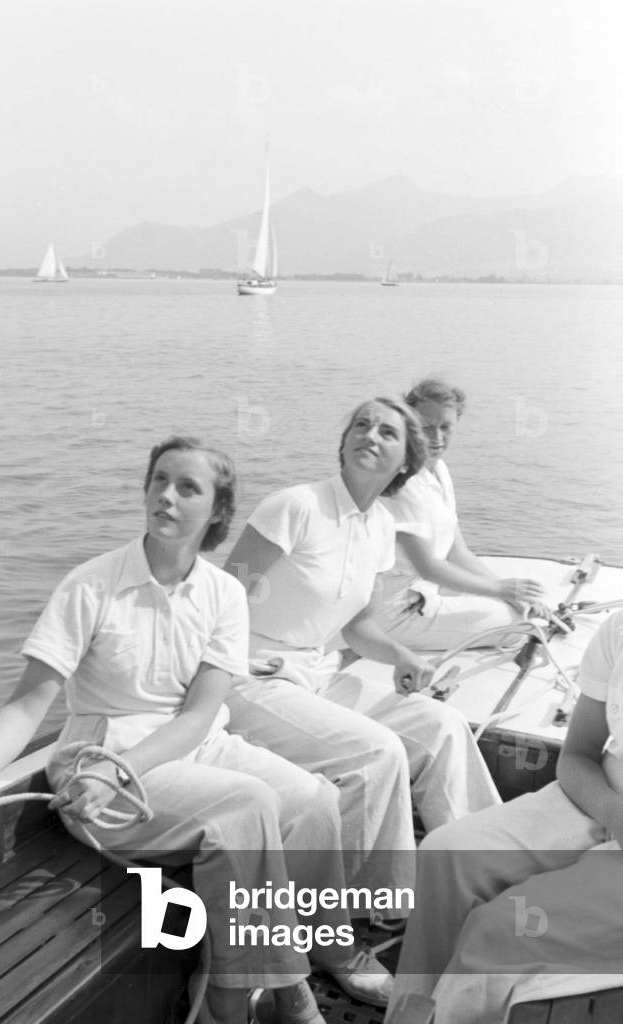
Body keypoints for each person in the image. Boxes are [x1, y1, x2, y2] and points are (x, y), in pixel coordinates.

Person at [0, 436, 393, 1024]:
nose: (167, 496)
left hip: (188, 747)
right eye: (159, 480)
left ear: (217, 512)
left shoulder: (225, 594)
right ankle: (257, 999)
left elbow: (197, 717)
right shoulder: (91, 585)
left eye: (188, 487)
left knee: (313, 800)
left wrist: (123, 771)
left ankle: (328, 945)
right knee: (247, 807)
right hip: (97, 761)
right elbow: (27, 707)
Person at [224, 398, 500, 877]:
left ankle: (481, 870)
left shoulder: (380, 527)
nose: (370, 435)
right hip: (250, 679)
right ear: (345, 440)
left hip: (315, 673)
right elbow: (220, 600)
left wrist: (401, 656)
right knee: (378, 752)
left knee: (443, 726)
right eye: (362, 425)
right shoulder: (295, 507)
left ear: (407, 463)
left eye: (387, 433)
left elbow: (359, 626)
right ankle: (364, 910)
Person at [387, 610, 623, 1024]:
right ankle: (414, 1012)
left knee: (502, 930)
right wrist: (610, 810)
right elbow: (578, 756)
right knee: (447, 852)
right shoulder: (618, 628)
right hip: (600, 795)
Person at [375, 379, 545, 651]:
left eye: (445, 427)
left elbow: (457, 552)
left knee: (513, 605)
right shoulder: (401, 483)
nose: (437, 438)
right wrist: (502, 592)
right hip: (397, 612)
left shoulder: (438, 469)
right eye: (426, 428)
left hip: (426, 591)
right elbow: (427, 567)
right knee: (518, 625)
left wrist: (507, 592)